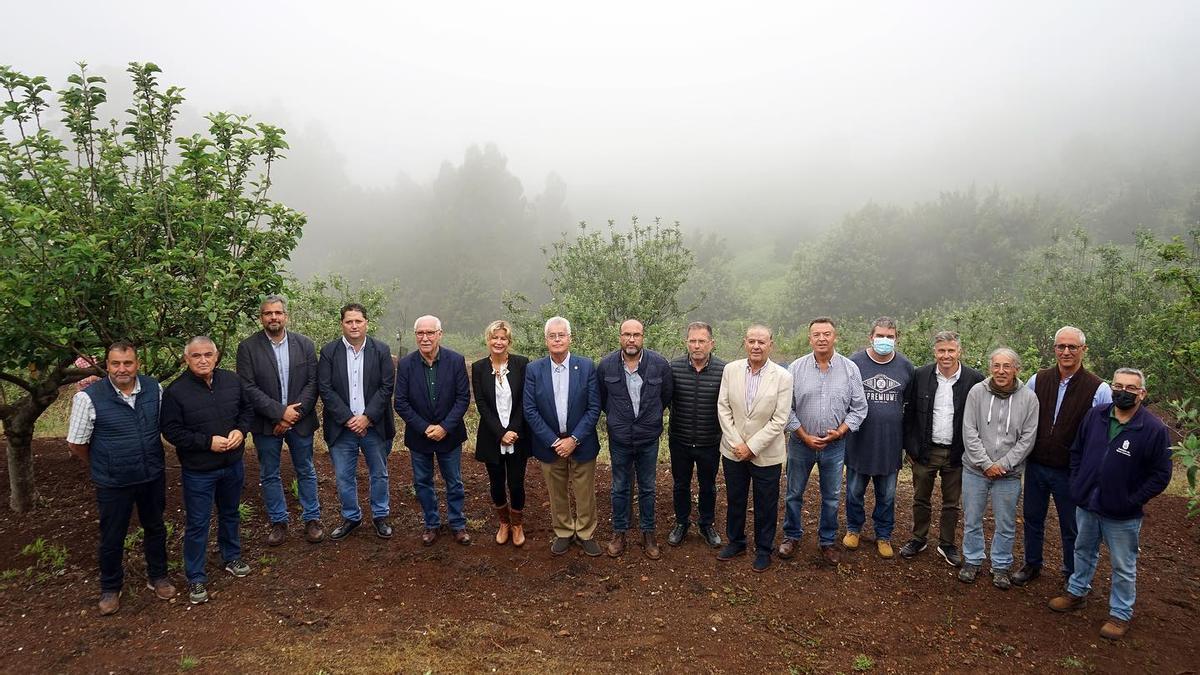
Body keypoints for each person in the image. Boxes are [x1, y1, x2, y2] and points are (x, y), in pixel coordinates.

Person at [1049, 368, 1173, 640]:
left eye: (1131, 388)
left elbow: (1161, 475)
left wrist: (1133, 499)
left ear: (1142, 393)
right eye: (1118, 386)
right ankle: (1077, 592)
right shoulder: (1097, 415)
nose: (1123, 392)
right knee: (1082, 549)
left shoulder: (1152, 429)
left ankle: (1120, 613)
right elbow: (1077, 451)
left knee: (1123, 563)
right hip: (1087, 501)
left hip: (1122, 512)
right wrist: (1077, 483)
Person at [66, 341, 173, 615]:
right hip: (113, 481)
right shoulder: (89, 397)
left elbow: (163, 425)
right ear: (107, 365)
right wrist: (103, 463)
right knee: (112, 535)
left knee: (156, 527)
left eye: (128, 363)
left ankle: (158, 577)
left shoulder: (153, 388)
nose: (122, 369)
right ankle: (111, 588)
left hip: (150, 474)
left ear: (137, 364)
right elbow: (77, 443)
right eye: (115, 363)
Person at [1014, 326, 1113, 586]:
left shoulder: (1098, 389)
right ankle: (1032, 564)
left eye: (1072, 347)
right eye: (1061, 346)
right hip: (1036, 464)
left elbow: (1104, 434)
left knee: (1072, 526)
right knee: (1033, 518)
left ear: (1083, 350)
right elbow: (1024, 415)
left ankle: (1073, 574)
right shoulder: (1038, 379)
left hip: (1070, 470)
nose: (1066, 352)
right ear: (1054, 348)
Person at [161, 336, 254, 605]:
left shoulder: (232, 381)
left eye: (208, 355)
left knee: (230, 513)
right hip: (199, 469)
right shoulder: (176, 391)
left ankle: (231, 557)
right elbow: (171, 430)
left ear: (216, 357)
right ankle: (196, 576)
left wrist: (240, 430)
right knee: (198, 523)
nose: (203, 360)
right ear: (186, 359)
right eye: (196, 356)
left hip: (232, 464)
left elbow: (246, 411)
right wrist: (206, 443)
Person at [235, 294, 324, 546]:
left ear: (286, 316)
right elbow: (248, 387)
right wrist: (279, 412)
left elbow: (312, 382)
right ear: (261, 317)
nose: (273, 317)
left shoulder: (305, 344)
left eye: (277, 313)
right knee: (270, 472)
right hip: (266, 423)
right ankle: (278, 521)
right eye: (267, 313)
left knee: (305, 469)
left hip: (300, 421)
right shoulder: (248, 347)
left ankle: (312, 519)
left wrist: (291, 416)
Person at [780, 317, 868, 566]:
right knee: (793, 493)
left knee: (831, 495)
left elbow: (859, 408)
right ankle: (791, 536)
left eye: (826, 334)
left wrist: (840, 432)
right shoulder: (795, 368)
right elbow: (786, 408)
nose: (821, 338)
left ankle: (827, 540)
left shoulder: (850, 369)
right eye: (816, 334)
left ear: (835, 337)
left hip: (835, 445)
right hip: (800, 443)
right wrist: (803, 435)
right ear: (809, 338)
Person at [900, 331, 985, 566]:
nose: (946, 355)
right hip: (925, 450)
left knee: (951, 502)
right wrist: (911, 447)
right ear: (934, 352)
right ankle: (919, 538)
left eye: (951, 350)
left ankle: (947, 543)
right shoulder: (920, 375)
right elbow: (909, 414)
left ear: (960, 351)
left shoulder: (974, 379)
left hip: (958, 451)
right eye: (941, 350)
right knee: (920, 498)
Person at [715, 324, 793, 573]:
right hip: (733, 449)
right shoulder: (731, 370)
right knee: (735, 498)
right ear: (744, 343)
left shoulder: (783, 376)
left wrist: (752, 446)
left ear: (771, 344)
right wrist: (737, 442)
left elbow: (780, 419)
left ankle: (763, 548)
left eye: (761, 342)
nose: (756, 346)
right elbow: (723, 407)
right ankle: (736, 541)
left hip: (766, 453)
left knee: (766, 503)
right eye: (751, 341)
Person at [522, 317, 603, 556]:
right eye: (552, 336)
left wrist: (574, 439)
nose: (557, 340)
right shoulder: (534, 369)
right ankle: (564, 531)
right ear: (546, 340)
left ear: (570, 338)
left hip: (582, 441)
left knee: (584, 491)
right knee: (556, 491)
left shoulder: (586, 366)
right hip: (550, 444)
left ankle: (586, 533)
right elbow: (530, 409)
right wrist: (555, 441)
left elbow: (594, 407)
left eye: (561, 335)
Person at [958, 347, 1039, 589]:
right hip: (975, 470)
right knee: (972, 518)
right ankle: (972, 560)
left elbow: (1028, 438)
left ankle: (1001, 566)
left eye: (1007, 366)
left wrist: (1002, 465)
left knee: (1006, 522)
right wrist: (985, 463)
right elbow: (969, 430)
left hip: (1009, 474)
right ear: (990, 367)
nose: (1001, 371)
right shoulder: (977, 393)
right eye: (996, 366)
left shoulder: (1028, 398)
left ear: (1017, 369)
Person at [317, 303, 397, 541]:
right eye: (349, 321)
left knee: (379, 473)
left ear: (366, 323)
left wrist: (367, 417)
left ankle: (380, 515)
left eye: (358, 321)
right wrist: (350, 419)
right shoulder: (329, 352)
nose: (354, 325)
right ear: (342, 323)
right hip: (342, 427)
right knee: (343, 475)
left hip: (374, 425)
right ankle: (351, 516)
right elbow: (326, 388)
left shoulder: (381, 350)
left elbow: (386, 387)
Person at [598, 319, 674, 559]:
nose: (631, 339)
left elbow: (666, 396)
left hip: (648, 437)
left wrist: (650, 419)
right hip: (619, 437)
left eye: (636, 335)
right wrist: (617, 420)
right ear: (620, 336)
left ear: (643, 337)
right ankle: (619, 532)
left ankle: (648, 533)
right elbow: (602, 399)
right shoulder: (607, 365)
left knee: (648, 487)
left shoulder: (660, 364)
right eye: (627, 334)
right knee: (619, 486)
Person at [395, 315, 472, 546]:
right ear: (415, 335)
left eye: (430, 333)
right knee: (422, 482)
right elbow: (401, 402)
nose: (425, 337)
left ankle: (457, 524)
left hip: (449, 435)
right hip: (420, 437)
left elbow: (463, 398)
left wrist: (445, 427)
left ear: (440, 334)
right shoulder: (406, 363)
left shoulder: (455, 360)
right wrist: (425, 427)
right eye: (420, 333)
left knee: (454, 482)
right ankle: (431, 523)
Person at [844, 317, 914, 558]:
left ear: (897, 338)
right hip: (859, 441)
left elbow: (910, 404)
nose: (885, 340)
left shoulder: (906, 367)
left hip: (890, 444)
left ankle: (883, 535)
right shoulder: (854, 363)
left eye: (890, 336)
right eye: (880, 336)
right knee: (854, 490)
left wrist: (908, 444)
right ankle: (853, 529)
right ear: (870, 337)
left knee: (887, 494)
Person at [667, 321, 727, 548]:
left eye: (702, 341)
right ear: (687, 343)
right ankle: (681, 522)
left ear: (711, 343)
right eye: (693, 341)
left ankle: (706, 524)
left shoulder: (724, 370)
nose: (697, 345)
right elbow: (666, 400)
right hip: (680, 439)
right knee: (680, 484)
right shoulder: (673, 368)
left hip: (710, 440)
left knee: (708, 485)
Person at [470, 320, 531, 546]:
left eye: (503, 338)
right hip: (491, 436)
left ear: (509, 341)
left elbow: (525, 400)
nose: (498, 342)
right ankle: (504, 523)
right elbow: (482, 405)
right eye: (494, 338)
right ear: (488, 340)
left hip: (518, 436)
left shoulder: (521, 364)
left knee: (516, 482)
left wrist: (513, 429)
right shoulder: (478, 367)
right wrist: (501, 433)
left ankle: (517, 525)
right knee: (496, 482)